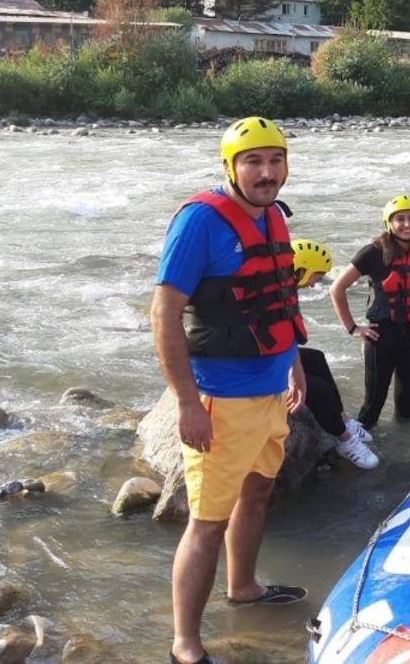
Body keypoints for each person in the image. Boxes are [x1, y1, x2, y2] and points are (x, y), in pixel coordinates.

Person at [151, 116, 309, 664]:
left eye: (275, 161)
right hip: (221, 400)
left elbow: (279, 297)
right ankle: (186, 647)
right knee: (206, 524)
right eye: (253, 162)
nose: (266, 173)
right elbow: (164, 313)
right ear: (230, 167)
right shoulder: (199, 222)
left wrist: (295, 362)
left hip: (270, 394)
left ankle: (244, 588)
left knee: (259, 492)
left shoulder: (273, 217)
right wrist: (188, 403)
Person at [329, 195, 410, 429]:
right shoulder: (373, 253)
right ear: (389, 223)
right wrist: (353, 328)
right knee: (374, 402)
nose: (407, 224)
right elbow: (337, 289)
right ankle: (365, 444)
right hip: (380, 337)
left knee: (407, 403)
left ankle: (405, 449)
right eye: (400, 219)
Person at [290, 238, 379, 470]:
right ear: (300, 270)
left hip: (269, 356)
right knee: (315, 387)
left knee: (316, 357)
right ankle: (344, 441)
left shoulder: (282, 290)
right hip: (253, 364)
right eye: (315, 277)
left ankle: (343, 420)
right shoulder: (271, 294)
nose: (313, 285)